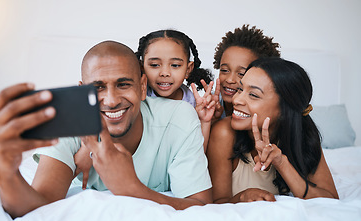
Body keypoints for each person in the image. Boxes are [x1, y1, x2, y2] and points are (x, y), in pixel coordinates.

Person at [0, 40, 212, 219]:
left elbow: (201, 206)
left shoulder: (180, 117)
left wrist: (131, 188)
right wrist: (5, 170)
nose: (112, 100)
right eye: (97, 88)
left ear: (143, 87)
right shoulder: (70, 123)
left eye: (123, 84)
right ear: (81, 93)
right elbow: (35, 207)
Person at [207, 57, 339, 203]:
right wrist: (242, 197)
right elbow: (215, 203)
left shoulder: (304, 135)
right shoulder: (224, 133)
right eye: (240, 89)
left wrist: (281, 163)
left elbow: (331, 200)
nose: (236, 100)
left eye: (253, 95)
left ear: (284, 109)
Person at [135, 29, 216, 151]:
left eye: (175, 65)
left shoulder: (194, 105)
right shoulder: (136, 99)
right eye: (155, 65)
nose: (165, 73)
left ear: (188, 69)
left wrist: (205, 122)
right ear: (142, 67)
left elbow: (197, 154)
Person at [212, 24, 281, 119]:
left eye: (241, 74)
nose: (230, 80)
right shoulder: (210, 103)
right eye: (224, 70)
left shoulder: (262, 112)